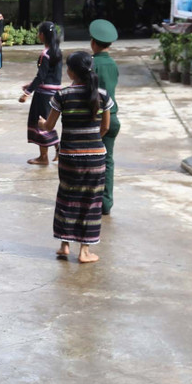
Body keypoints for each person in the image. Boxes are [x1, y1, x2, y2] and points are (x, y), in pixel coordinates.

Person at [37, 52, 113, 264]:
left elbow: (49, 126)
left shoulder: (63, 94)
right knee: (91, 202)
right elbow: (105, 127)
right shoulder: (102, 95)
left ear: (70, 71)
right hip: (96, 157)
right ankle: (84, 252)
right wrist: (93, 141)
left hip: (70, 156)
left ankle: (64, 246)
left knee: (67, 199)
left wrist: (42, 123)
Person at [19, 21, 62, 165]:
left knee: (39, 123)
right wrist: (31, 85)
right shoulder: (57, 52)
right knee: (47, 122)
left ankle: (43, 157)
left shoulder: (45, 54)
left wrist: (27, 92)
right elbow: (49, 76)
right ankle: (58, 149)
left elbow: (41, 76)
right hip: (54, 93)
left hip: (43, 95)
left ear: (42, 35)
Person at [89, 19, 120, 215]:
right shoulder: (113, 64)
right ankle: (106, 202)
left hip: (97, 118)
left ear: (93, 42)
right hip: (114, 116)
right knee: (108, 161)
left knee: (91, 162)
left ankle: (90, 199)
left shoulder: (92, 64)